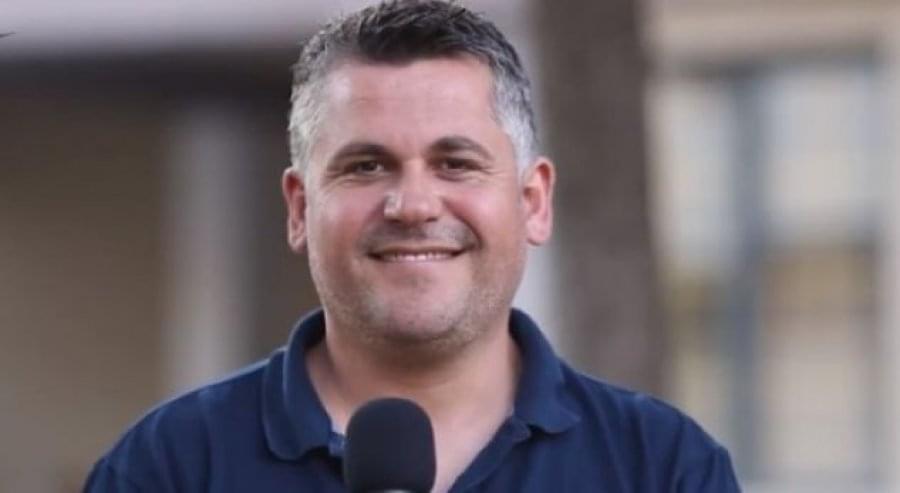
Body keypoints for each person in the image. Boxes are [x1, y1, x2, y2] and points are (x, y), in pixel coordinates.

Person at [84, 1, 740, 491]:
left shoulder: (661, 467)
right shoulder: (169, 467)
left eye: (455, 163)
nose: (414, 205)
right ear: (300, 208)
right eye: (366, 166)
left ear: (533, 202)